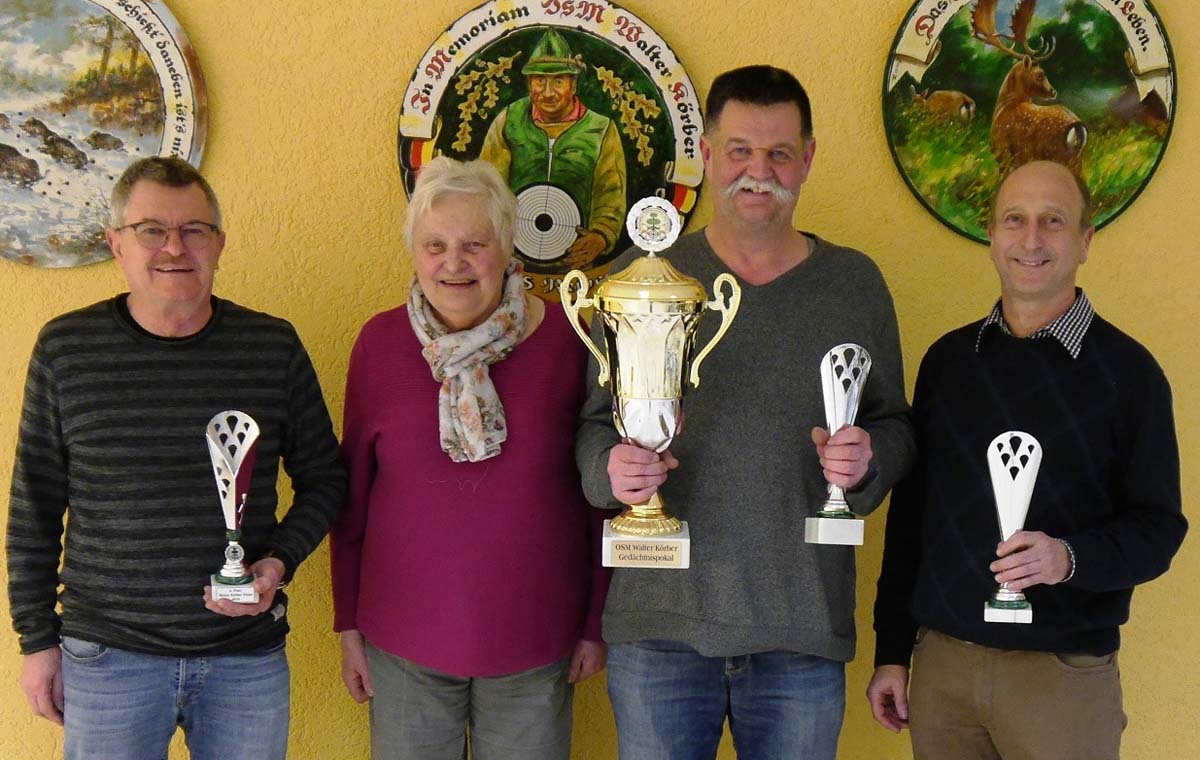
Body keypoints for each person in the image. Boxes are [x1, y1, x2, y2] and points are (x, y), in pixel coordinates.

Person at [575, 65, 915, 759]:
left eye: (779, 153)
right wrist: (608, 468)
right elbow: (592, 426)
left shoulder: (855, 284)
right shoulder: (643, 282)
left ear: (808, 159)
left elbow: (896, 424)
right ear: (706, 153)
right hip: (658, 630)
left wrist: (868, 459)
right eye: (739, 150)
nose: (757, 172)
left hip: (800, 628)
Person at [6, 156, 346, 760]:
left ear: (218, 243)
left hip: (246, 659)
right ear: (116, 244)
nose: (174, 247)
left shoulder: (272, 345)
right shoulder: (66, 349)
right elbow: (33, 507)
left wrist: (275, 564)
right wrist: (37, 642)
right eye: (151, 230)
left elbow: (325, 479)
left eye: (194, 230)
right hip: (108, 659)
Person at [868, 160, 1187, 759]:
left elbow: (1158, 528)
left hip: (1061, 678)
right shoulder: (948, 364)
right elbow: (911, 522)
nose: (1031, 239)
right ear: (991, 234)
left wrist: (1066, 558)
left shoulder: (1130, 376)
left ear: (1086, 240)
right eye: (1014, 219)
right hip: (944, 671)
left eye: (1053, 221)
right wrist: (892, 650)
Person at [331, 156, 610, 760]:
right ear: (414, 251)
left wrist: (596, 622)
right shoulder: (379, 345)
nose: (453, 263)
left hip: (534, 643)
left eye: (473, 244)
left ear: (509, 246)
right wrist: (347, 625)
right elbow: (351, 499)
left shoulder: (572, 340)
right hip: (402, 643)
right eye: (434, 244)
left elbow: (599, 495)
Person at [479, 28, 626, 268]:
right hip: (511, 260)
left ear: (574, 85)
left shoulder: (601, 129)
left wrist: (601, 236)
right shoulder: (508, 120)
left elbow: (611, 193)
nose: (548, 92)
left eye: (558, 81)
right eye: (540, 81)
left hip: (575, 262)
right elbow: (486, 186)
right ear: (529, 83)